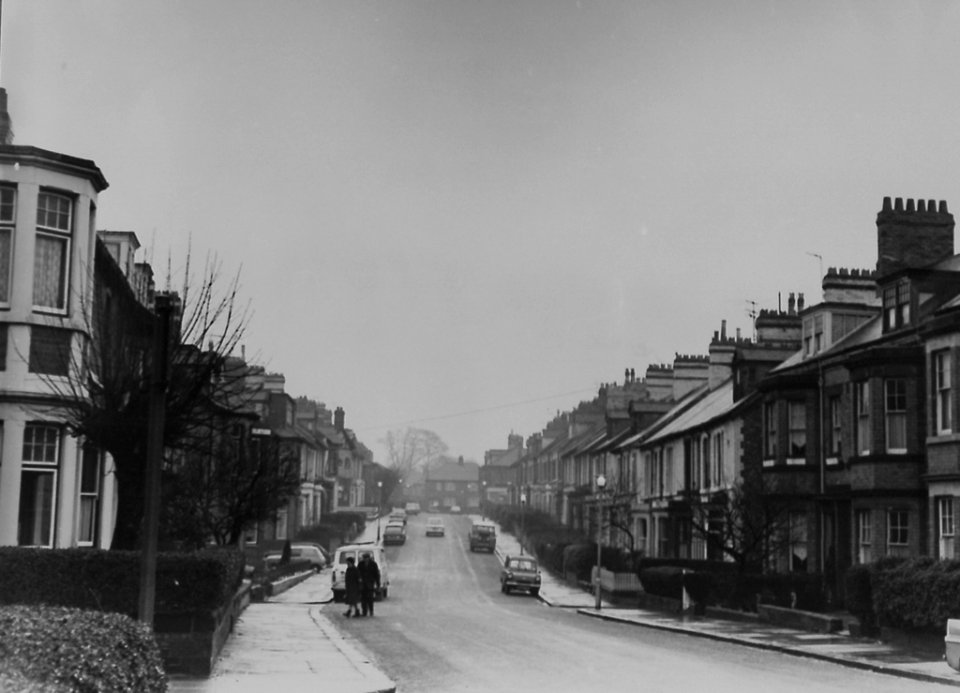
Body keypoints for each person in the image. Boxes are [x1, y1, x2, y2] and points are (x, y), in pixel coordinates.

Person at [358, 552, 381, 617]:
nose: (365, 559)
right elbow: (358, 573)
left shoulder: (373, 564)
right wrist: (359, 580)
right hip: (363, 585)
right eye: (364, 558)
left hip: (370, 584)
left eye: (367, 558)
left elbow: (377, 575)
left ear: (369, 558)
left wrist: (378, 585)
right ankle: (364, 612)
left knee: (370, 599)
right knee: (363, 599)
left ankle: (371, 611)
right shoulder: (360, 564)